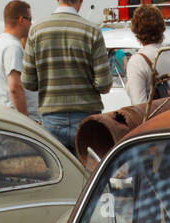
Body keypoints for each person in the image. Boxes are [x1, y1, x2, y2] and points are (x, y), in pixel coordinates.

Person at [21, 0, 110, 153]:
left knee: (61, 174)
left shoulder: (36, 30)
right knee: (88, 175)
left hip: (51, 118)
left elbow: (28, 82)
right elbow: (104, 84)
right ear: (80, 1)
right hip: (86, 119)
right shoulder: (92, 31)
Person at [125, 4, 170, 106]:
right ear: (162, 28)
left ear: (136, 31)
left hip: (154, 121)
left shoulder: (137, 62)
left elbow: (138, 107)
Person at [0, 2, 38, 120]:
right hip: (17, 120)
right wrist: (26, 120)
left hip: (6, 117)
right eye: (30, 19)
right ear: (21, 20)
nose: (31, 24)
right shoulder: (13, 46)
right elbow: (15, 87)